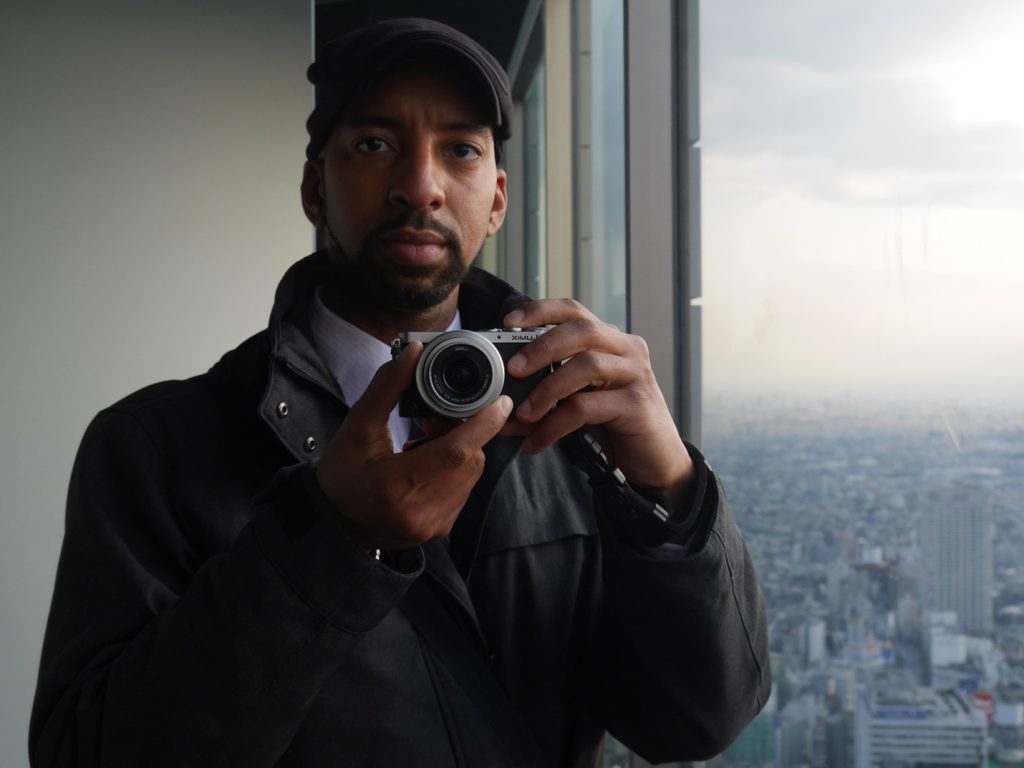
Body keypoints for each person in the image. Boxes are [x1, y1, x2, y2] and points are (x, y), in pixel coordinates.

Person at [30, 17, 770, 768]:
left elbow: (692, 724)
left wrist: (669, 488)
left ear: (498, 200)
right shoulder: (155, 448)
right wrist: (331, 540)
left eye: (461, 150)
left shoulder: (575, 425)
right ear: (316, 189)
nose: (420, 186)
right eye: (375, 145)